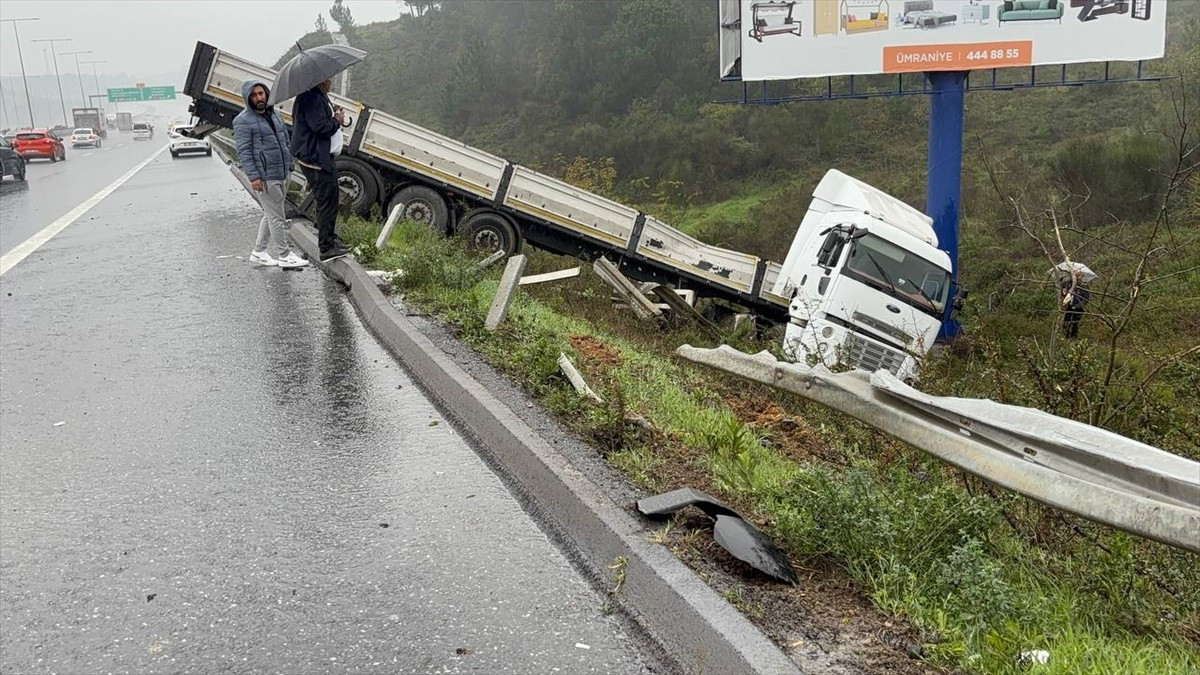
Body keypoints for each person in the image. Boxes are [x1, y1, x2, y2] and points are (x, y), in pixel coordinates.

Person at [234, 79, 308, 268]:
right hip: (266, 175)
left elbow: (285, 139)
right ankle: (284, 255)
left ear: (266, 93)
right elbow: (244, 151)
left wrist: (290, 164)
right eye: (254, 95)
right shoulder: (242, 121)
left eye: (261, 93)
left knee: (270, 214)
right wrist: (254, 177)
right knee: (277, 216)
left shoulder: (275, 113)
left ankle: (259, 252)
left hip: (282, 171)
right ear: (248, 98)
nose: (259, 98)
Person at [291, 78, 350, 262]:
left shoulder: (317, 96)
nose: (330, 81)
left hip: (319, 157)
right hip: (316, 159)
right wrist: (336, 120)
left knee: (330, 200)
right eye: (327, 78)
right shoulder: (312, 98)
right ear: (320, 80)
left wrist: (334, 114)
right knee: (327, 201)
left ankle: (329, 241)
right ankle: (326, 247)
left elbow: (320, 121)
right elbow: (321, 127)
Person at [1058, 273, 1090, 339]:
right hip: (1068, 306)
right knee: (1066, 322)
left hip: (1078, 308)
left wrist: (1077, 306)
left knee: (1075, 323)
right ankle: (1065, 336)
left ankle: (1074, 338)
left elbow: (1085, 299)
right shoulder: (1069, 283)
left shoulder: (1084, 286)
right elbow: (1063, 290)